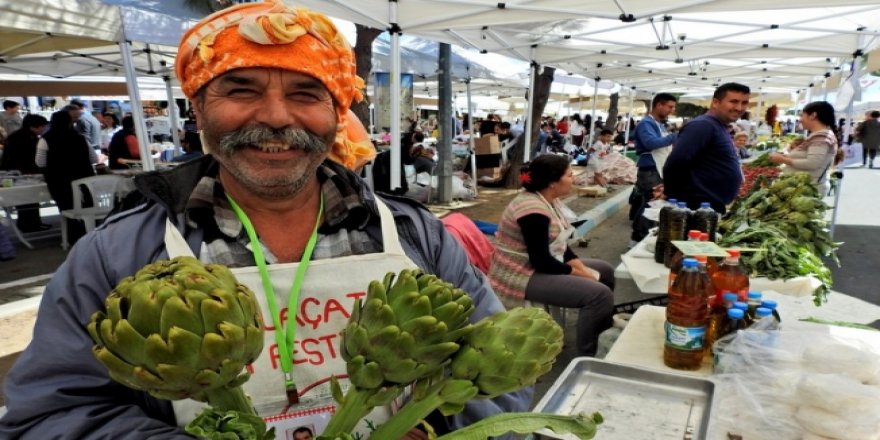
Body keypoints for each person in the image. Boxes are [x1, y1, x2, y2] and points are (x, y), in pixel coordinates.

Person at [0, 3, 528, 439]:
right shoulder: (116, 256)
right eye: (242, 89)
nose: (276, 116)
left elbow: (494, 383)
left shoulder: (417, 237)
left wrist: (433, 423)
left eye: (305, 93)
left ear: (336, 113)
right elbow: (48, 414)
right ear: (199, 108)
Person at [488, 154, 615, 356]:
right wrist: (581, 274)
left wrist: (581, 269)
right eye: (569, 175)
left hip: (541, 263)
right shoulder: (532, 210)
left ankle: (601, 331)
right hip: (521, 274)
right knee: (599, 294)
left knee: (605, 271)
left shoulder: (548, 200)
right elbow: (541, 260)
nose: (573, 179)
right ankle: (588, 354)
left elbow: (560, 245)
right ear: (553, 182)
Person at [663, 82, 749, 213]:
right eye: (734, 101)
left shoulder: (718, 126)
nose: (739, 107)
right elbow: (676, 162)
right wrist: (672, 196)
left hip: (708, 206)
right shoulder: (703, 125)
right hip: (697, 207)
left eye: (744, 103)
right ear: (715, 102)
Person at [34, 110, 97, 244]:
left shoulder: (45, 139)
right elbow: (93, 158)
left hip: (59, 181)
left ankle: (74, 237)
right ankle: (92, 235)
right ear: (69, 122)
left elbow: (40, 162)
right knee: (87, 207)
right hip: (84, 179)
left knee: (67, 208)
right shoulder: (80, 138)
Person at [630, 93, 677, 243]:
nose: (672, 110)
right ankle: (641, 238)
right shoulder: (646, 124)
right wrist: (675, 136)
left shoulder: (659, 124)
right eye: (670, 106)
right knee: (652, 204)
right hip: (650, 169)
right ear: (658, 105)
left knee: (648, 203)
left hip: (656, 168)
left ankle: (637, 237)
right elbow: (651, 143)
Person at [769, 101, 839, 195]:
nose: (800, 119)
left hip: (807, 189)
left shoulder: (822, 137)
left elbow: (812, 163)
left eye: (802, 115)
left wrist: (783, 159)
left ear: (813, 115)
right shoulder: (820, 135)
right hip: (803, 188)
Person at [0, 114, 50, 232]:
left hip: (14, 173)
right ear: (33, 127)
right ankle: (31, 225)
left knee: (24, 202)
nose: (43, 129)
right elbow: (31, 158)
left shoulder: (16, 136)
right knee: (30, 200)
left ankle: (28, 224)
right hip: (24, 173)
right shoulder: (29, 139)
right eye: (42, 126)